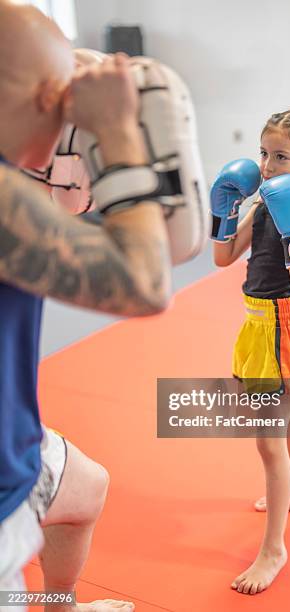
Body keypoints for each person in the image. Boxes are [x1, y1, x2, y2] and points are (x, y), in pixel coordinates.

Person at [0, 2, 174, 610]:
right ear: (49, 99)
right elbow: (145, 281)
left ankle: (60, 606)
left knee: (87, 486)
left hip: (18, 442)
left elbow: (62, 219)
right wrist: (120, 132)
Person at [210, 109, 290, 595]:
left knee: (269, 441)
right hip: (256, 325)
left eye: (279, 156)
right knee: (289, 422)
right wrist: (226, 207)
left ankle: (273, 549)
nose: (265, 165)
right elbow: (224, 257)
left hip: (286, 329)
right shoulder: (263, 204)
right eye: (264, 154)